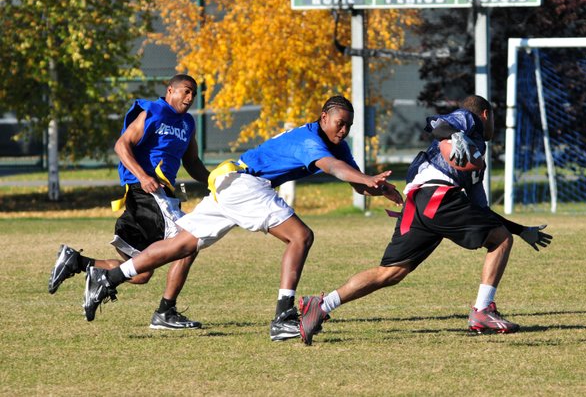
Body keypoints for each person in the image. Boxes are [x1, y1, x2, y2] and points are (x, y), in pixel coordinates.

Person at [78, 95, 404, 341]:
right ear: (323, 118)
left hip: (230, 181)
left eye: (348, 125)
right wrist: (364, 181)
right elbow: (332, 168)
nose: (343, 130)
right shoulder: (311, 140)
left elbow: (353, 178)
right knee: (300, 236)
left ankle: (110, 278)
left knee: (183, 245)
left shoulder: (335, 143)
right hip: (245, 183)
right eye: (339, 123)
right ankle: (283, 317)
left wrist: (378, 187)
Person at [298, 95, 553, 345]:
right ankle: (482, 311)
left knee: (392, 272)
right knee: (500, 240)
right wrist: (454, 134)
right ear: (486, 115)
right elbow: (436, 123)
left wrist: (520, 230)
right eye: (493, 119)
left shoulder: (476, 159)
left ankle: (321, 305)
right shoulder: (469, 119)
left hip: (419, 201)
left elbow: (481, 211)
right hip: (438, 196)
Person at [48, 74, 210, 330]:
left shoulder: (188, 123)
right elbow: (121, 145)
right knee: (191, 241)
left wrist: (217, 182)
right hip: (146, 192)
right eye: (186, 91)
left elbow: (192, 163)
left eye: (194, 94)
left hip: (163, 197)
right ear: (170, 90)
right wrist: (143, 176)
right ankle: (165, 312)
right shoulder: (154, 111)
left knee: (141, 273)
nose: (190, 98)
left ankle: (77, 262)